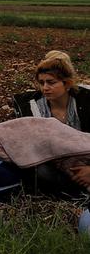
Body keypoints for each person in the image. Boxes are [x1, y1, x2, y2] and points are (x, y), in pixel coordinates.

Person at [11, 50, 90, 194]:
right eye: (41, 83)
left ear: (67, 83)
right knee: (38, 171)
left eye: (51, 82)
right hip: (53, 164)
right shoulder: (31, 107)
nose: (45, 88)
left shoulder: (85, 102)